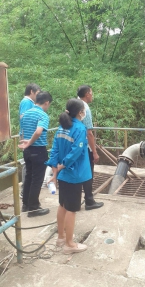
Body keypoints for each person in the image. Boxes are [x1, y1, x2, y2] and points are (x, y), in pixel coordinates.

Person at [46, 99, 91, 254]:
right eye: (84, 110)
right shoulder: (79, 128)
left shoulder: (62, 127)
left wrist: (55, 170)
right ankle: (70, 245)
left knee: (63, 206)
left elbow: (55, 149)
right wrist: (63, 165)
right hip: (74, 174)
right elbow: (76, 151)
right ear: (80, 112)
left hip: (64, 174)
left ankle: (61, 238)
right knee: (71, 209)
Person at [18, 91, 52, 217]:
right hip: (38, 150)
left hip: (27, 151)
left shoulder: (26, 114)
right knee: (37, 180)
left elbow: (22, 131)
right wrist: (30, 142)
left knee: (29, 177)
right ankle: (34, 208)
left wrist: (25, 143)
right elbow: (38, 132)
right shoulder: (43, 115)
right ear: (46, 102)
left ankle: (26, 205)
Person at [77, 85, 104, 210]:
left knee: (76, 172)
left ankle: (75, 200)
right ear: (87, 94)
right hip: (84, 147)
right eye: (91, 93)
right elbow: (89, 133)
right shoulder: (84, 108)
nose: (92, 95)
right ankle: (89, 200)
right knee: (88, 173)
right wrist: (94, 152)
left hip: (74, 145)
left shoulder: (74, 104)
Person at [19, 83, 41, 198]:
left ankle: (26, 190)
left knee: (28, 165)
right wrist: (24, 137)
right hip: (27, 136)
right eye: (37, 93)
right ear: (31, 91)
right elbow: (23, 118)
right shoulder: (27, 102)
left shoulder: (29, 102)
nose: (38, 96)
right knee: (27, 165)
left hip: (27, 136)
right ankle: (24, 191)